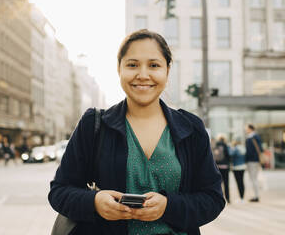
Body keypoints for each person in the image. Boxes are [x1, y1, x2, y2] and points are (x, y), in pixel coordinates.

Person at [48, 29, 225, 235]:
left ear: (167, 70)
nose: (142, 75)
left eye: (154, 65)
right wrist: (94, 202)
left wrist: (168, 206)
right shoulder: (93, 124)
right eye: (132, 65)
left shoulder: (191, 127)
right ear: (119, 69)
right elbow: (60, 191)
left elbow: (212, 199)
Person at [245, 124, 263, 202]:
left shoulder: (251, 138)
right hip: (255, 160)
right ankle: (256, 195)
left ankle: (256, 196)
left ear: (250, 129)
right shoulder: (256, 137)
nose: (246, 130)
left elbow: (250, 151)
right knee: (254, 178)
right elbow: (261, 149)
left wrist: (247, 159)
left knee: (253, 178)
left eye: (247, 128)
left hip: (252, 160)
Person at [213, 134, 230, 203]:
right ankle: (228, 199)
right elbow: (228, 155)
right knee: (226, 183)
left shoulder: (216, 146)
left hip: (218, 167)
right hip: (225, 166)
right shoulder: (225, 145)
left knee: (219, 183)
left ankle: (219, 198)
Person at [229, 138, 246, 203]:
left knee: (238, 182)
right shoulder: (243, 148)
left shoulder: (236, 149)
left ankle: (241, 198)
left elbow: (230, 154)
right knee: (242, 182)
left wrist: (230, 147)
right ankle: (242, 197)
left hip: (236, 167)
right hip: (243, 166)